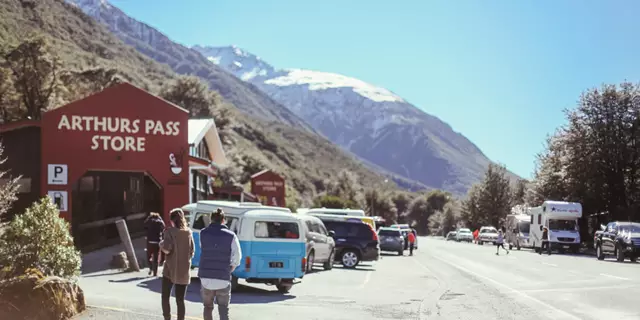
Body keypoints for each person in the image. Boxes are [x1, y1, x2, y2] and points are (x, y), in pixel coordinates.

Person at [198, 208, 242, 320]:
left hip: (206, 278)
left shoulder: (203, 233)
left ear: (211, 219)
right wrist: (230, 269)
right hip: (223, 278)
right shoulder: (231, 236)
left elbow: (203, 248)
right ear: (223, 220)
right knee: (223, 309)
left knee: (207, 307)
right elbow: (237, 257)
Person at [159, 209, 194, 320]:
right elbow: (192, 252)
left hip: (170, 269)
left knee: (165, 297)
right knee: (180, 300)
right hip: (184, 271)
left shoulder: (169, 232)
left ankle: (167, 318)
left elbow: (167, 249)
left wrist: (161, 244)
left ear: (171, 220)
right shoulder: (188, 233)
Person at [144, 212, 165, 277]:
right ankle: (155, 274)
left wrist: (149, 218)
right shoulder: (160, 222)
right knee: (156, 258)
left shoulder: (149, 221)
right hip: (157, 242)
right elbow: (164, 227)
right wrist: (160, 218)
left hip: (150, 241)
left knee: (148, 255)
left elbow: (144, 225)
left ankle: (150, 267)